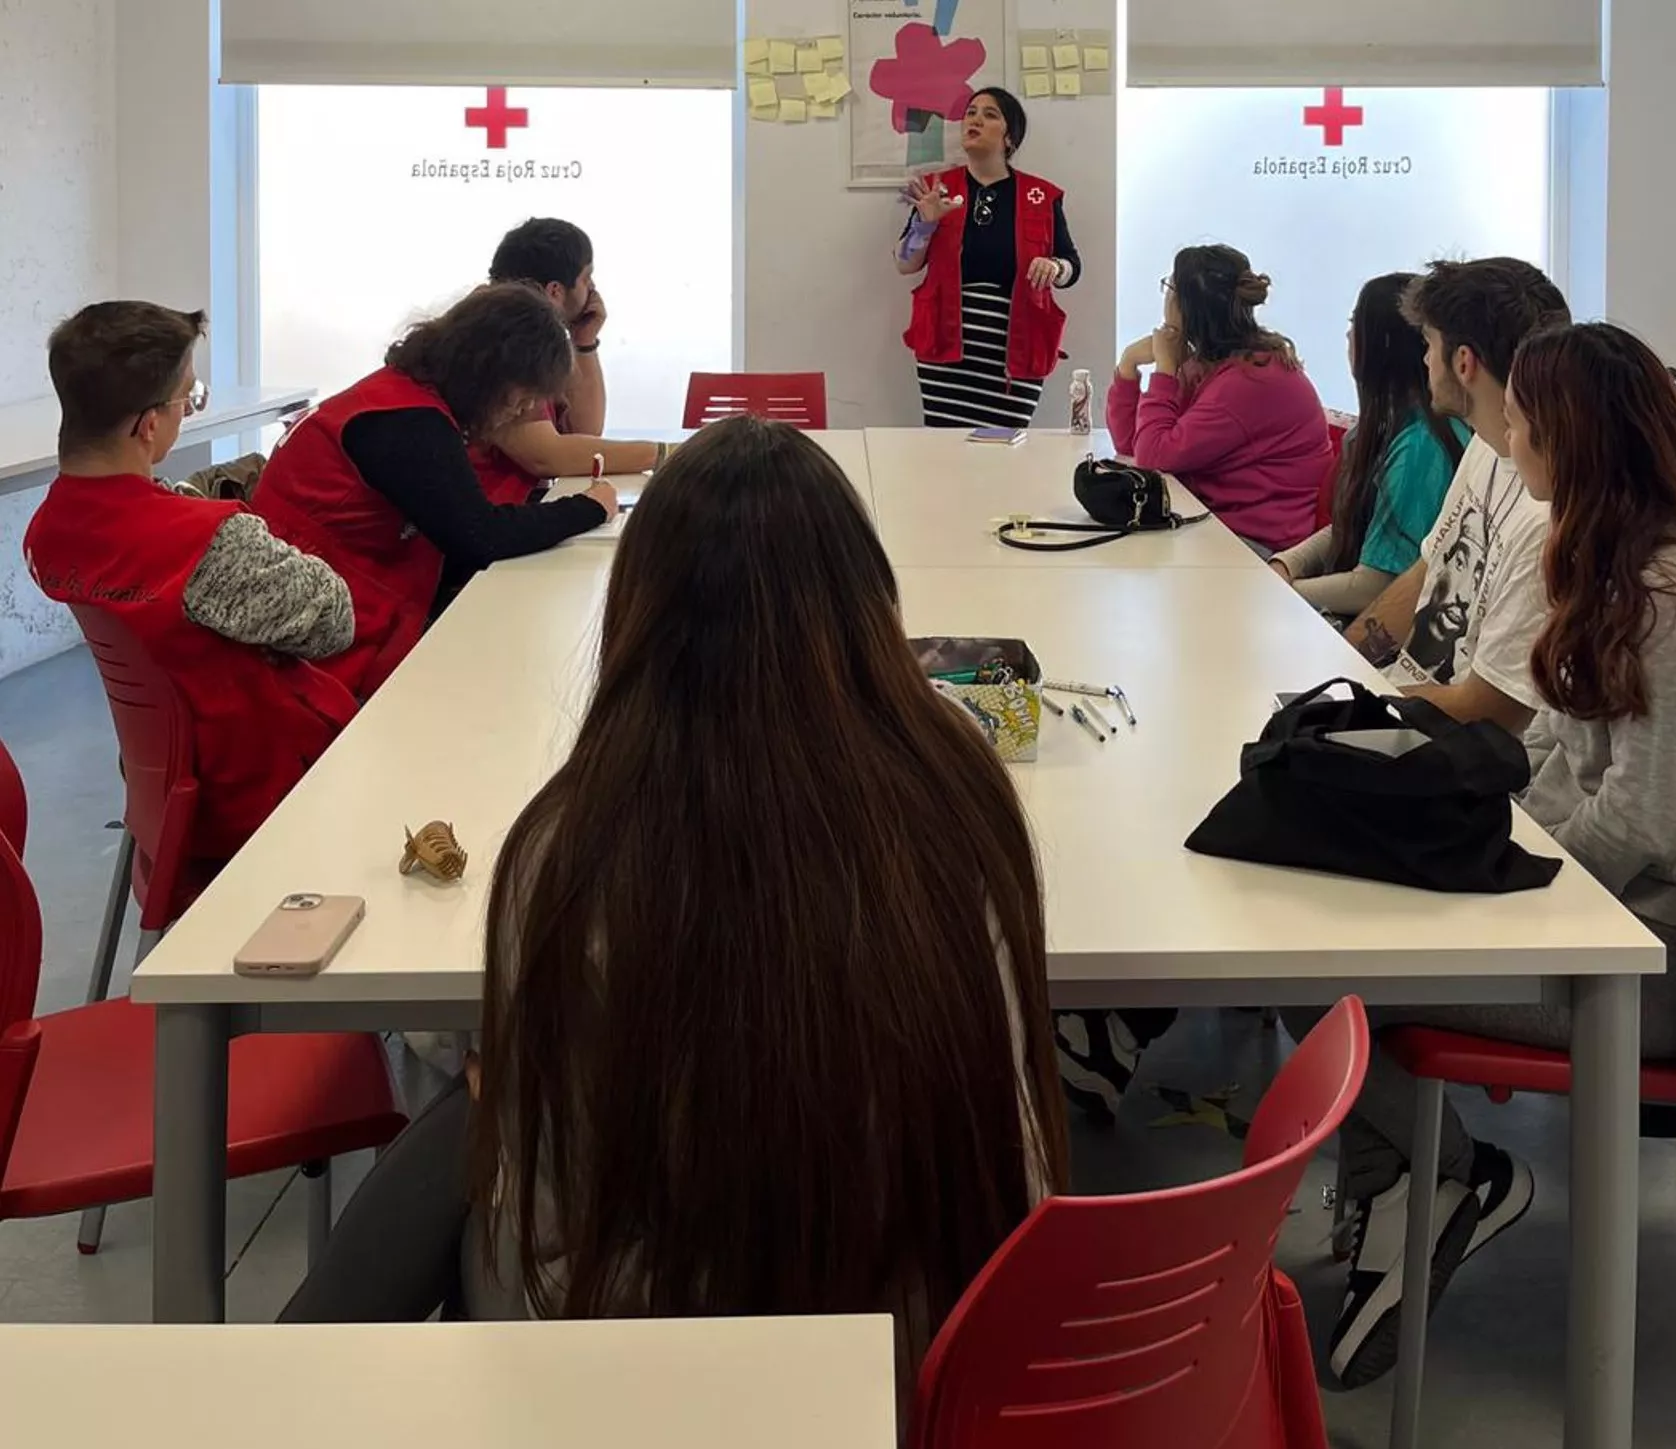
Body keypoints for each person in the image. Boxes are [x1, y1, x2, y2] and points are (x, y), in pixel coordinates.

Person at [282, 417, 1070, 1403]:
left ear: (639, 609)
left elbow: (549, 1196)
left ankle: (279, 1390)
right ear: (866, 596)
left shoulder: (581, 841)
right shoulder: (960, 788)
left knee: (464, 1112)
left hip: (651, 1372)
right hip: (927, 1351)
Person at [1296, 321, 1676, 1391]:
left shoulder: (1673, 598)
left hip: (1663, 962)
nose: (1504, 436)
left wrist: (1498, 887)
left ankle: (1450, 1186)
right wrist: (1456, 828)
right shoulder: (1625, 556)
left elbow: (1640, 824)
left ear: (1566, 441)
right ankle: (1402, 1206)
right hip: (1611, 909)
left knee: (1326, 976)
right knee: (1344, 907)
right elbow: (1548, 752)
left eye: (1521, 422)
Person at [23, 302, 357, 860]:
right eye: (190, 399)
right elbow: (335, 620)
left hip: (168, 779)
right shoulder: (208, 544)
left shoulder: (47, 529)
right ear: (149, 424)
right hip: (267, 789)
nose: (190, 411)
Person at [250, 284, 618, 699]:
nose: (524, 410)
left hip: (326, 598)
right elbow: (480, 536)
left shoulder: (403, 395)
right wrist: (589, 508)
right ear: (492, 373)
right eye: (525, 396)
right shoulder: (406, 423)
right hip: (316, 634)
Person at [1342, 258, 1571, 731]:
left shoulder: (1544, 513)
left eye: (1428, 345)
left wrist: (1349, 711)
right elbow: (1431, 565)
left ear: (1463, 362)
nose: (1424, 360)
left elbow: (1494, 710)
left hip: (1448, 750)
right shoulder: (1484, 445)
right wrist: (1340, 665)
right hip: (1402, 704)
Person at [1109, 246, 1332, 555]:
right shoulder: (1211, 360)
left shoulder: (1251, 379)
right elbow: (1132, 444)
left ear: (1186, 305)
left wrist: (1164, 370)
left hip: (1254, 545)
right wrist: (1128, 366)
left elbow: (1152, 457)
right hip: (1211, 523)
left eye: (1169, 286)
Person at [1270, 273, 1470, 614]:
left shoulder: (1420, 448)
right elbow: (1359, 523)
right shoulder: (1391, 425)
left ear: (1383, 344)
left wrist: (1282, 593)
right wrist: (1287, 565)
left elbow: (1376, 586)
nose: (1348, 335)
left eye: (1355, 323)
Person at [896, 87, 1081, 429]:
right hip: (945, 350)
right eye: (970, 112)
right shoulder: (938, 188)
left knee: (1005, 455)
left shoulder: (1041, 195)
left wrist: (1055, 267)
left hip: (1016, 352)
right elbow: (905, 261)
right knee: (944, 451)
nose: (975, 119)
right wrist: (924, 224)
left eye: (990, 114)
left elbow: (1072, 265)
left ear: (1010, 138)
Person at [475, 218, 667, 503]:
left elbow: (583, 431)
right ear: (555, 291)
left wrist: (584, 341)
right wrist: (665, 454)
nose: (592, 289)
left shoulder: (523, 335)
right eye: (586, 278)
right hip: (485, 527)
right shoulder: (493, 339)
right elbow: (546, 457)